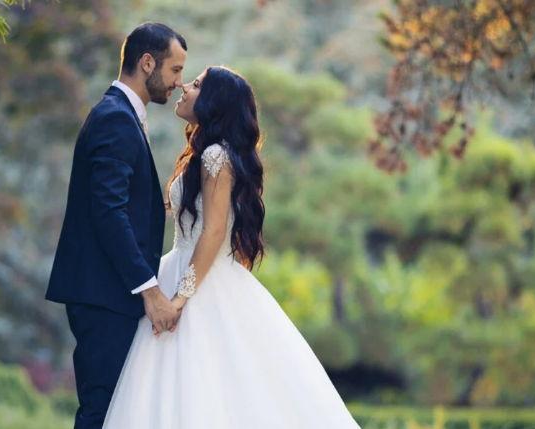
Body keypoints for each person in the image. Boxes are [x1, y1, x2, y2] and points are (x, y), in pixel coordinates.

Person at [102, 66, 360, 428]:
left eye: (195, 84)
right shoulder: (203, 154)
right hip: (182, 267)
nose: (184, 86)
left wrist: (180, 298)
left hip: (197, 281)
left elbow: (213, 231)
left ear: (214, 102)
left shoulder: (215, 157)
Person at [45, 22, 188, 429]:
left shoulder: (121, 115)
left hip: (107, 293)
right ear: (148, 63)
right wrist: (150, 290)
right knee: (102, 411)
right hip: (104, 295)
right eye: (175, 70)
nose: (178, 82)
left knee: (113, 411)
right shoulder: (115, 118)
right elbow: (108, 211)